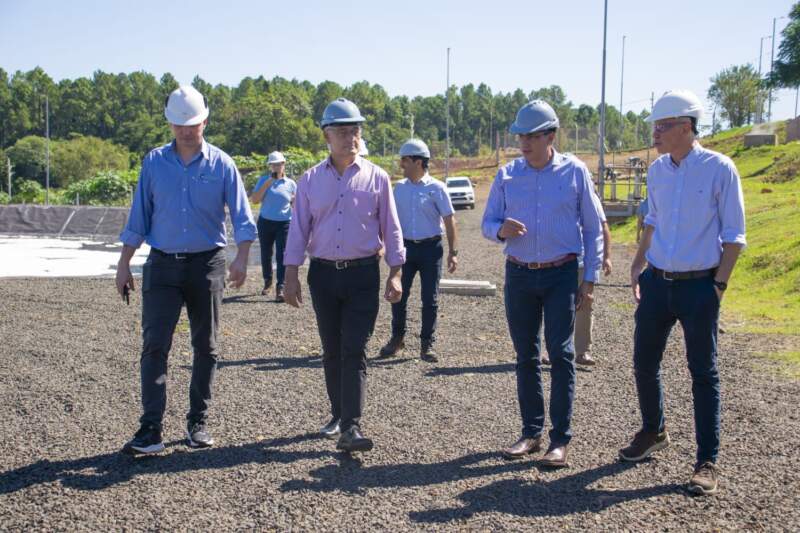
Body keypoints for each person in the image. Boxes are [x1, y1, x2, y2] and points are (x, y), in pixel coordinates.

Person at [618, 90, 746, 496]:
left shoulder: (719, 169)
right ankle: (653, 430)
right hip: (658, 282)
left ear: (687, 127)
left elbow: (734, 237)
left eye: (663, 126)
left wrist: (719, 287)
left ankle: (707, 460)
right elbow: (652, 219)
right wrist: (639, 263)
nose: (655, 133)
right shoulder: (657, 172)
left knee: (703, 373)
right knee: (643, 362)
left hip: (699, 286)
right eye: (654, 125)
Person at [116, 85, 256, 455]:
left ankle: (198, 422)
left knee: (206, 347)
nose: (186, 131)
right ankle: (150, 430)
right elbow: (139, 218)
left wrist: (241, 257)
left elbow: (242, 216)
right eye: (179, 125)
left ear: (204, 121)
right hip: (161, 263)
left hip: (206, 264)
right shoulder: (154, 163)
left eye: (192, 124)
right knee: (154, 346)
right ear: (170, 124)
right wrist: (123, 263)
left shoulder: (222, 164)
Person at [482, 100, 604, 468]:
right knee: (525, 354)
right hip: (519, 273)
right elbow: (487, 224)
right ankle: (531, 432)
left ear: (551, 135)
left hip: (561, 273)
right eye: (520, 136)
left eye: (532, 136)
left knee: (562, 352)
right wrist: (500, 231)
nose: (524, 142)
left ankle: (560, 439)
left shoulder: (575, 172)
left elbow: (594, 227)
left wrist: (590, 278)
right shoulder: (507, 175)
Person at [283, 98, 405, 453]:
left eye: (355, 130)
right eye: (341, 130)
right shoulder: (309, 181)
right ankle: (338, 413)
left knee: (354, 347)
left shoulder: (377, 178)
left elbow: (392, 229)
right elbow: (298, 231)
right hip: (322, 275)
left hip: (363, 274)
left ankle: (351, 426)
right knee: (331, 349)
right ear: (326, 136)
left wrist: (395, 273)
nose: (349, 137)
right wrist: (290, 275)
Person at [378, 139, 458, 362]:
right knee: (398, 296)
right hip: (405, 249)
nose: (401, 163)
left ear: (418, 161)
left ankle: (427, 344)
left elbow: (450, 220)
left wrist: (453, 252)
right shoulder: (399, 189)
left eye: (405, 159)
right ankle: (397, 339)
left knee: (430, 299)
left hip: (431, 249)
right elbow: (389, 220)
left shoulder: (437, 188)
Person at [249, 151, 296, 302]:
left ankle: (280, 286)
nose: (276, 167)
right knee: (266, 253)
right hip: (265, 222)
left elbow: (295, 205)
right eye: (273, 164)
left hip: (284, 223)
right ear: (270, 166)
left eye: (279, 164)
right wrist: (268, 183)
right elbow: (255, 200)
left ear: (284, 165)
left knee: (282, 254)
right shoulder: (263, 180)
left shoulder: (291, 184)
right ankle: (267, 281)